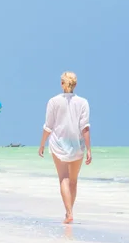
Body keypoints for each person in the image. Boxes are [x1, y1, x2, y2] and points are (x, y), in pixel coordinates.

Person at [38, 71, 92, 224]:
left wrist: (42, 144)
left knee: (63, 178)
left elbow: (48, 126)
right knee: (73, 181)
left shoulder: (53, 101)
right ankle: (69, 212)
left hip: (58, 145)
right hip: (77, 145)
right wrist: (89, 149)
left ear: (63, 83)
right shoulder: (83, 102)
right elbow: (85, 128)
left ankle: (68, 213)